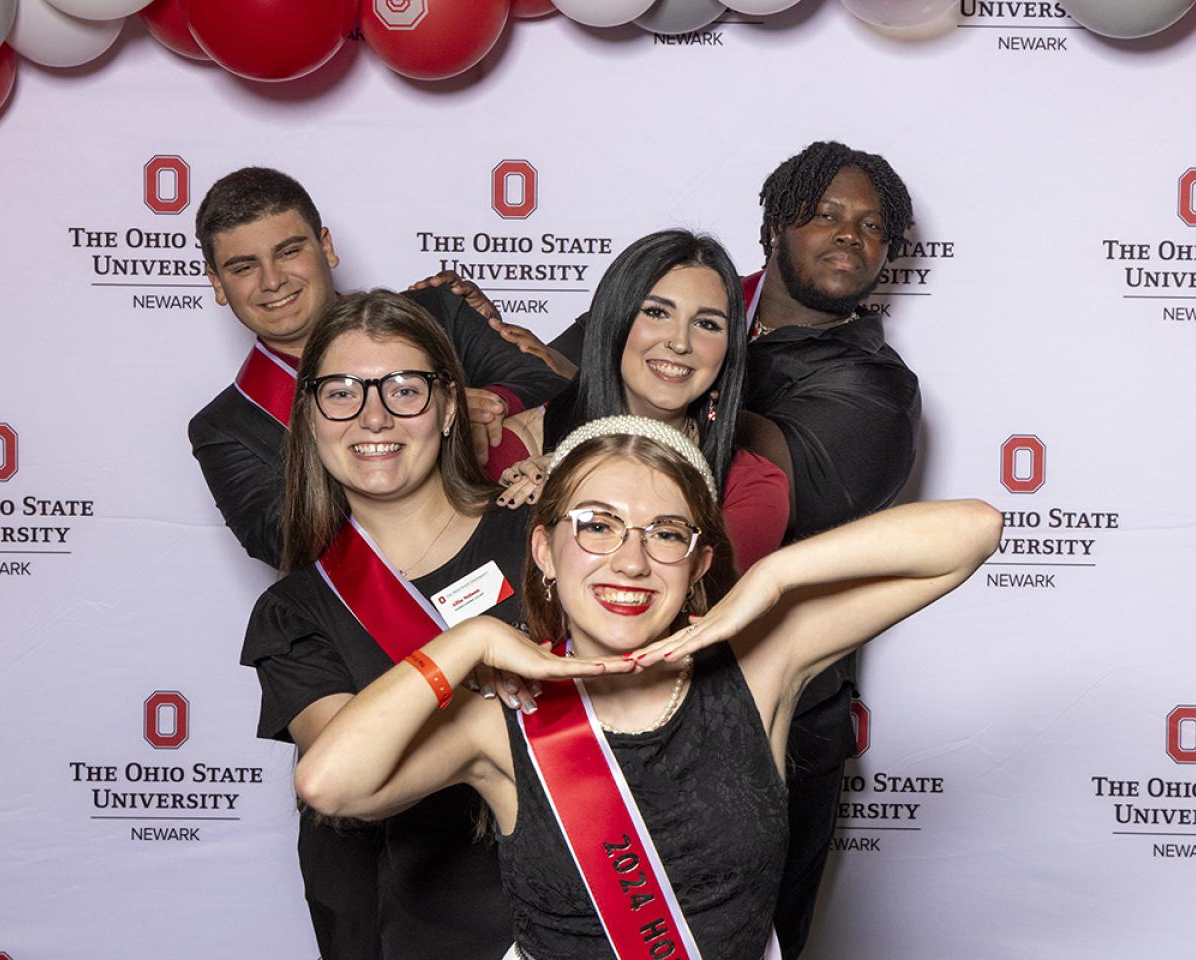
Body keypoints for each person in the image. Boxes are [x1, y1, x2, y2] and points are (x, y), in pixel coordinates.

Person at [293, 415, 1001, 960]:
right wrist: (469, 640)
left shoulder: (759, 667)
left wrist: (772, 576)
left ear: (698, 564)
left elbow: (974, 529)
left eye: (666, 534)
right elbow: (329, 783)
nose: (631, 561)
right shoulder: (503, 715)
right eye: (597, 526)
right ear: (544, 548)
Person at [451, 141, 920, 957]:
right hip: (560, 727)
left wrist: (567, 461)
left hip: (745, 713)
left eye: (872, 226)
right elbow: (564, 372)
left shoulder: (868, 390)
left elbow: (710, 553)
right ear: (775, 225)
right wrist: (507, 393)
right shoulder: (700, 292)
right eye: (827, 214)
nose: (850, 236)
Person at [241, 290, 545, 960]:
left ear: (445, 410)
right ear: (312, 418)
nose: (373, 415)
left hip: (558, 902)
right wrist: (477, 667)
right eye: (342, 392)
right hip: (394, 922)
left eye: (404, 389)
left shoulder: (543, 543)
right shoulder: (296, 609)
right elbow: (345, 780)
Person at [188, 166, 569, 568]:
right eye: (244, 267)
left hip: (527, 564)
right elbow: (283, 541)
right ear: (217, 283)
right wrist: (413, 433)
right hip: (390, 618)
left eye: (289, 251)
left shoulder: (437, 309)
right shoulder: (225, 427)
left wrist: (487, 406)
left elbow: (551, 385)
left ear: (326, 247)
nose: (272, 281)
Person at [486, 229, 790, 573]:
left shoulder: (753, 484)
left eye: (706, 324)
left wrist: (585, 471)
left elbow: (693, 589)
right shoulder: (513, 447)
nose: (680, 342)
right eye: (657, 313)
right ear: (613, 321)